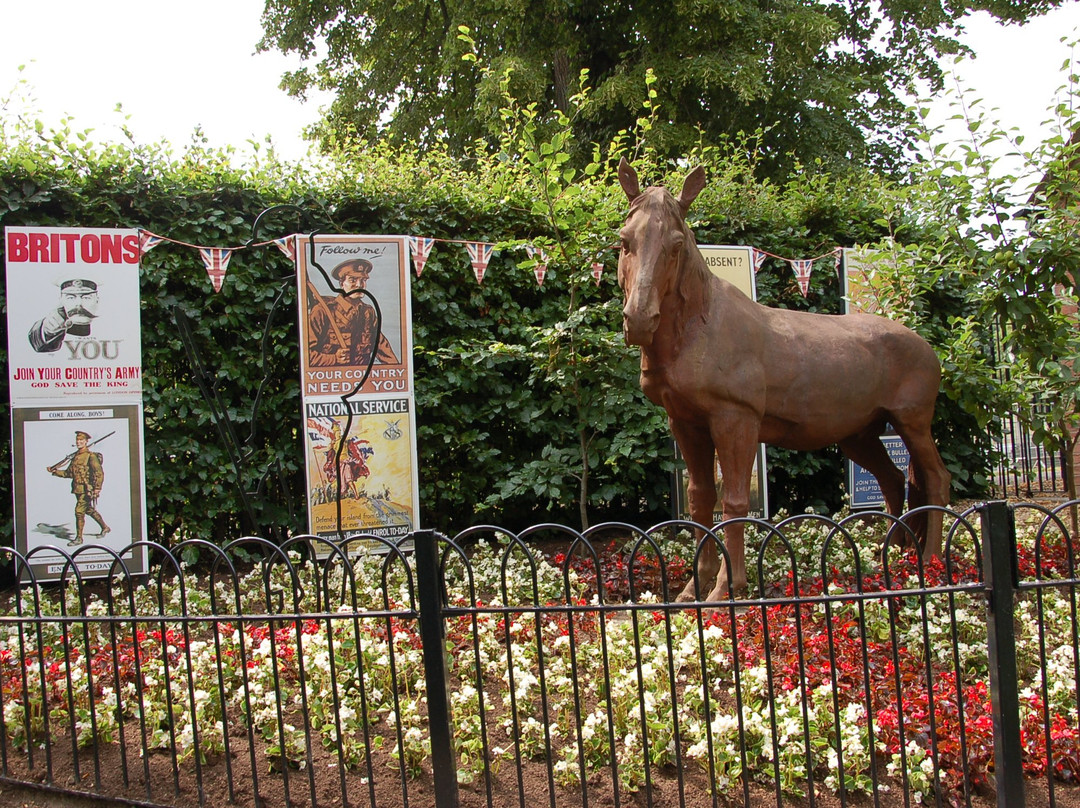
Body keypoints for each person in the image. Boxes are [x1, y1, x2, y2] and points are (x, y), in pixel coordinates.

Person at [307, 259, 399, 367]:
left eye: (363, 280)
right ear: (342, 283)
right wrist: (333, 359)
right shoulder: (322, 312)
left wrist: (399, 372)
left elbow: (383, 349)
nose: (359, 285)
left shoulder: (368, 313)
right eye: (352, 280)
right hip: (331, 380)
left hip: (361, 379)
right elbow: (307, 357)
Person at [48, 430, 109, 546]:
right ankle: (105, 527)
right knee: (88, 510)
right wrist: (55, 472)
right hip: (77, 489)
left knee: (79, 511)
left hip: (87, 489)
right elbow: (68, 473)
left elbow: (99, 473)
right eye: (77, 440)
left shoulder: (90, 456)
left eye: (81, 440)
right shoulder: (75, 457)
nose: (79, 442)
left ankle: (79, 538)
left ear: (86, 442)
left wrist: (97, 488)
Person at [28, 278, 101, 353]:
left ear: (97, 300)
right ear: (61, 301)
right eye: (71, 298)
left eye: (86, 298)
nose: (79, 303)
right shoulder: (55, 322)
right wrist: (47, 331)